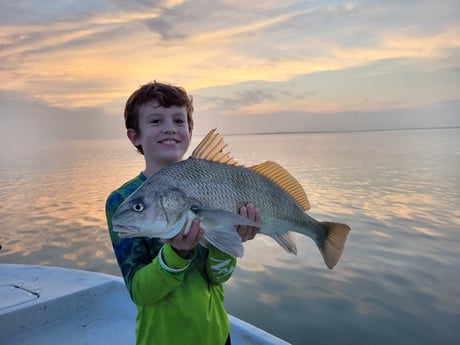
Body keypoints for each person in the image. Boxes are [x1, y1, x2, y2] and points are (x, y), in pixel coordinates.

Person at [105, 81, 260, 345]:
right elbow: (140, 293)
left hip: (218, 336)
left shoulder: (214, 185)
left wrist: (227, 244)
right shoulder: (123, 202)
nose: (169, 128)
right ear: (135, 136)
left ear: (190, 130)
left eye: (179, 120)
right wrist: (177, 254)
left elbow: (218, 277)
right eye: (155, 121)